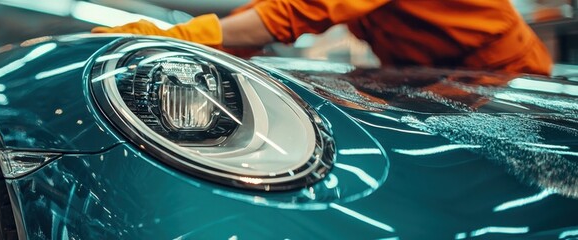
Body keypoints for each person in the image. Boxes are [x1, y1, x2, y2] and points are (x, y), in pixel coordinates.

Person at [92, 0, 552, 75]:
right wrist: (180, 42)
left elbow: (295, 13)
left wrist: (180, 34)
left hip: (507, 78)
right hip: (427, 77)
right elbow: (263, 14)